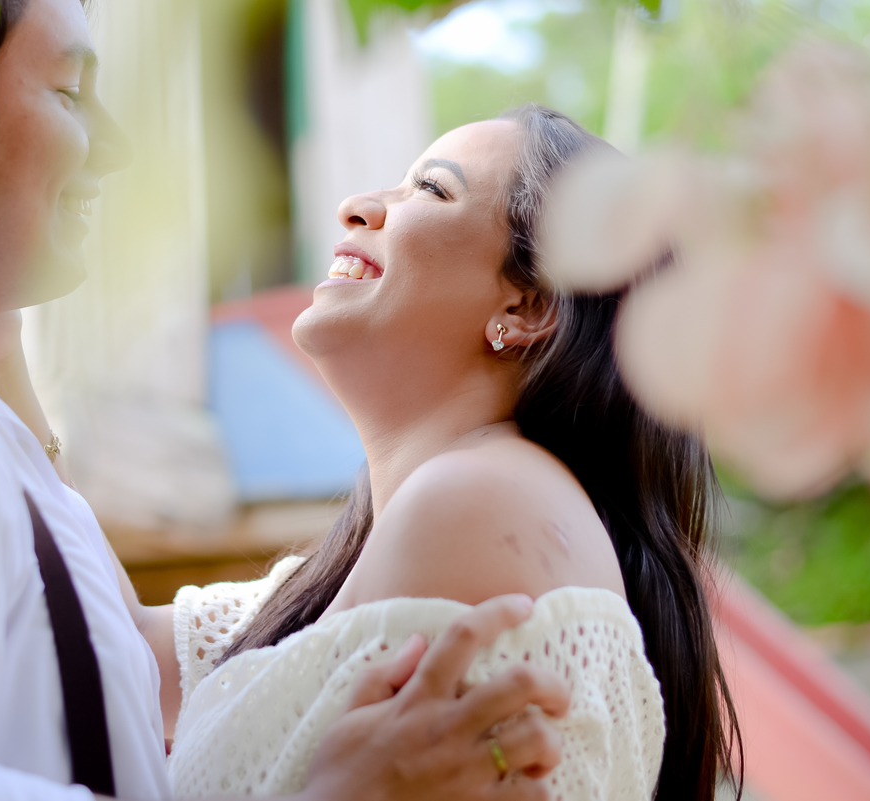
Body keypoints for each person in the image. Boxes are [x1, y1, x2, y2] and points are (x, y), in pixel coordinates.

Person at [0, 2, 571, 800]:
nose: (116, 146)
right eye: (69, 91)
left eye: (429, 189)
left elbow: (111, 640)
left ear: (530, 306)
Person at [145, 106, 744, 800]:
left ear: (526, 307)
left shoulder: (479, 505)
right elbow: (91, 637)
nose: (358, 207)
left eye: (430, 188)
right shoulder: (395, 542)